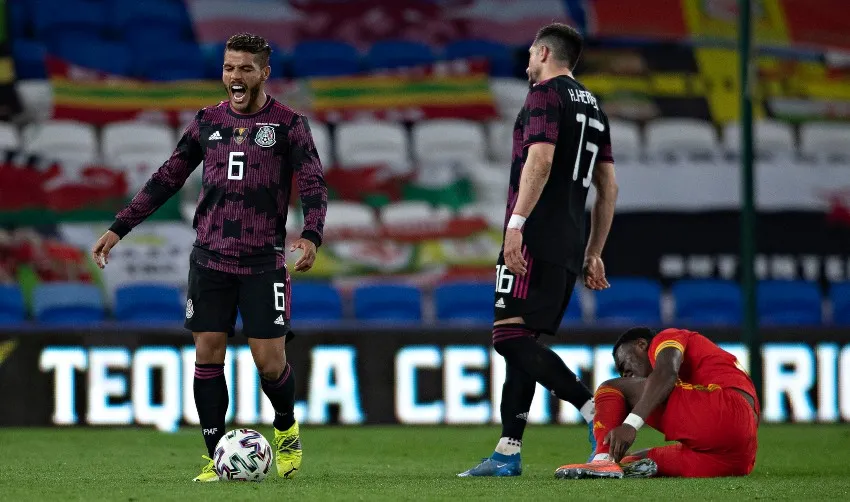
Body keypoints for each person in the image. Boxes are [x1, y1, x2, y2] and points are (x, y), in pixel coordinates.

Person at [91, 33, 328, 482]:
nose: (235, 76)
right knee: (207, 354)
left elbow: (314, 182)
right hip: (210, 258)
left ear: (264, 73)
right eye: (229, 67)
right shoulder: (206, 121)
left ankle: (286, 427)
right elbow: (167, 178)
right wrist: (119, 227)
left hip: (262, 261)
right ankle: (215, 455)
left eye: (245, 69)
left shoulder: (288, 124)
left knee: (269, 362)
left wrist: (312, 233)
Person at [458, 23, 618, 477]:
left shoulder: (545, 95)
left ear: (544, 53)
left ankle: (593, 411)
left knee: (507, 337)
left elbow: (541, 160)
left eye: (531, 53)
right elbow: (608, 187)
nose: (528, 61)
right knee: (523, 341)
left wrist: (516, 225)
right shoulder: (594, 107)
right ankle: (507, 452)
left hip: (535, 233)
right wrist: (594, 250)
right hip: (569, 239)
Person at [555, 327, 759, 479]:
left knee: (611, 388)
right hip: (738, 454)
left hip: (726, 411)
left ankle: (602, 459)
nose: (626, 375)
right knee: (632, 461)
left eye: (625, 365)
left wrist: (630, 424)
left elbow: (666, 373)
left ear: (641, 345)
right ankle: (614, 464)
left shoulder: (666, 337)